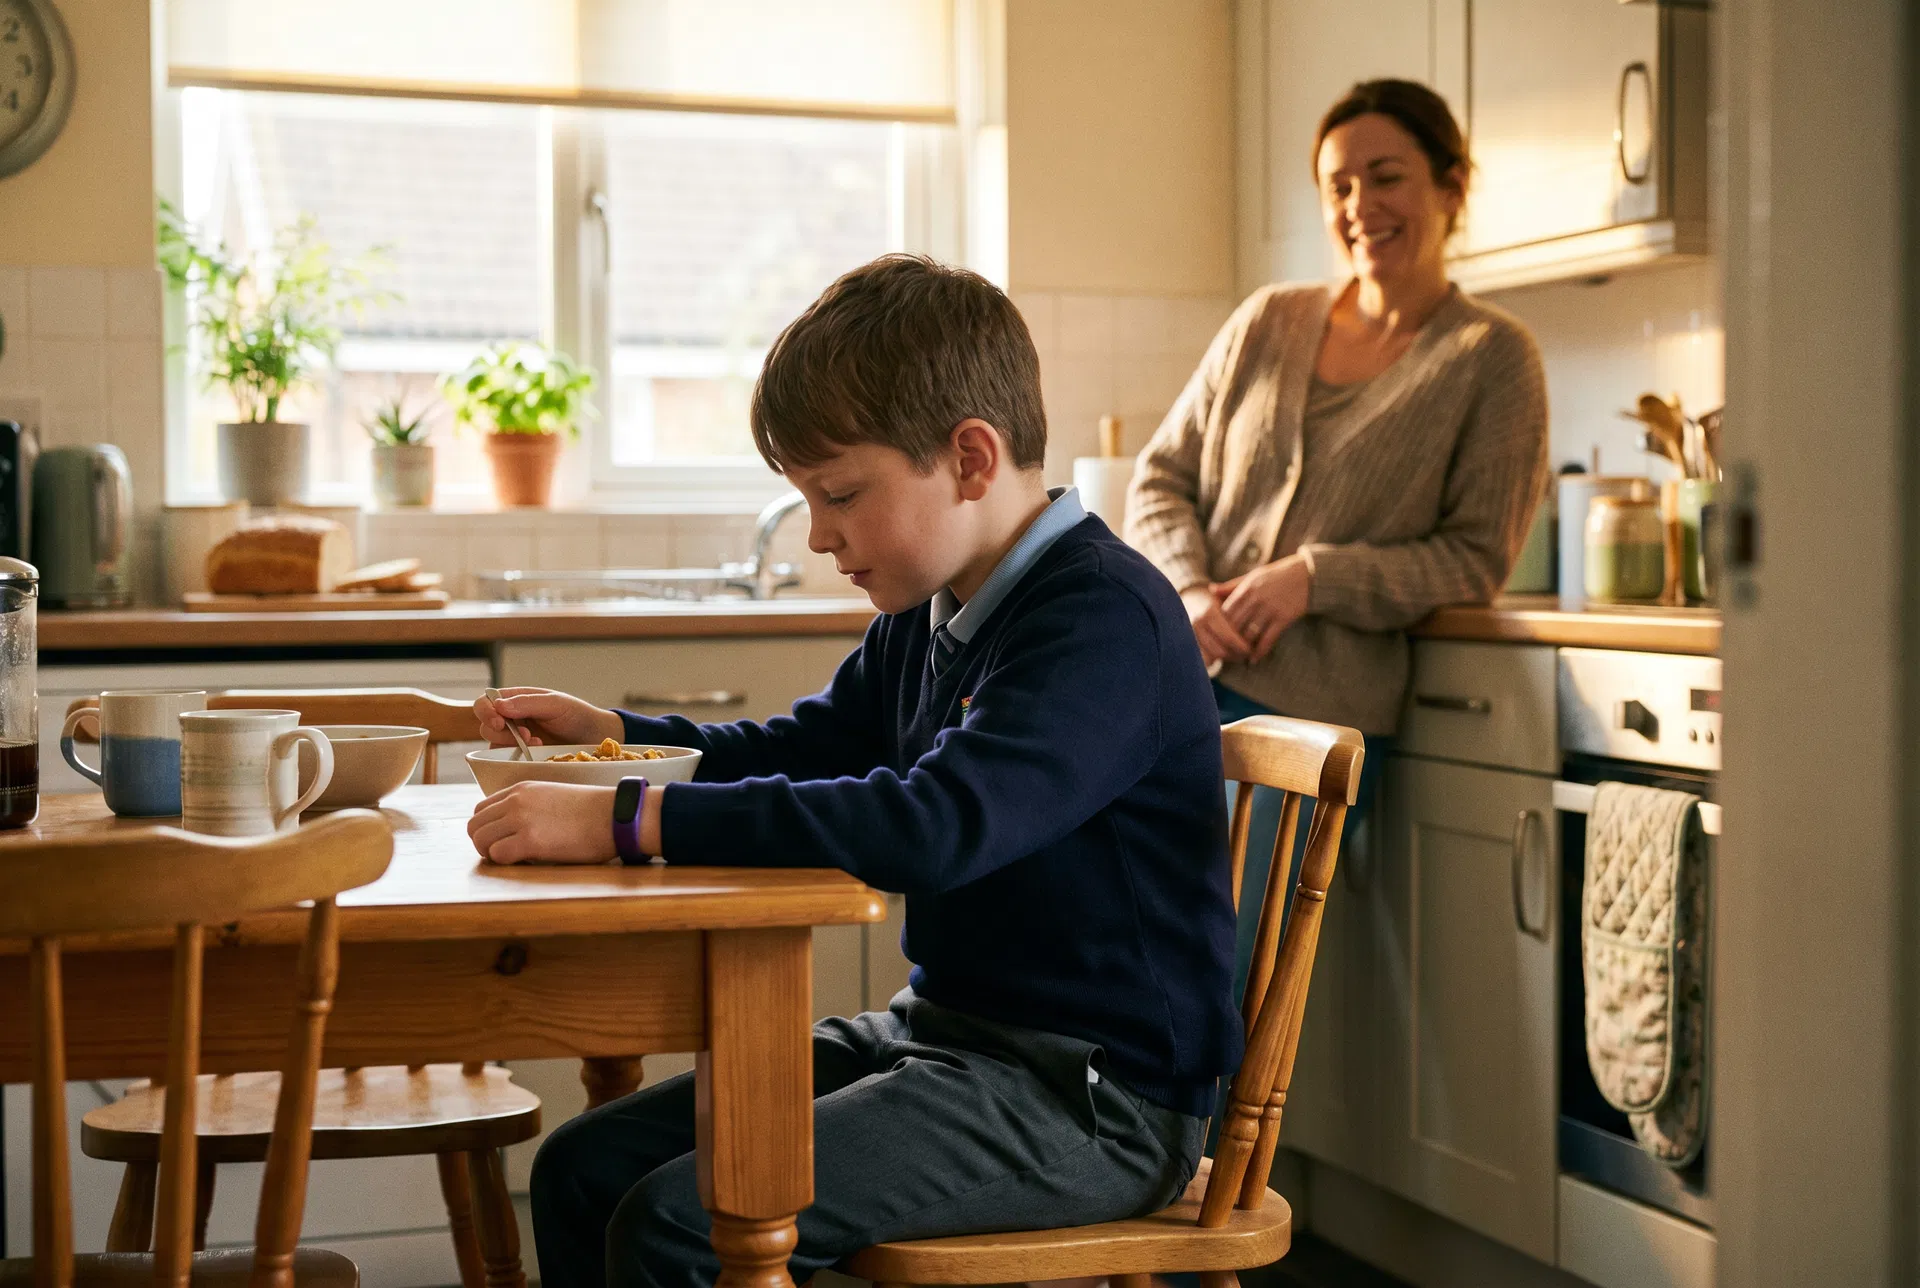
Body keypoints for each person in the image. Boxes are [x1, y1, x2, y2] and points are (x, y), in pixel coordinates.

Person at [466, 254, 1242, 1288]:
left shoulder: (1101, 617)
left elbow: (936, 823)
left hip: (1094, 1096)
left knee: (677, 1223)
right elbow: (798, 748)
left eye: (839, 495)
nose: (821, 535)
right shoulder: (938, 609)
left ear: (970, 458)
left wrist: (629, 822)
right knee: (581, 1166)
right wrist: (614, 735)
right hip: (946, 1036)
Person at [1125, 78, 1550, 991]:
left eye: (1386, 176)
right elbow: (1161, 474)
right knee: (1098, 945)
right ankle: (1054, 1133)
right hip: (1172, 692)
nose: (1360, 206)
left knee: (1211, 977)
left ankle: (1169, 1141)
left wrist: (1316, 577)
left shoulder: (1492, 356)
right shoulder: (1266, 320)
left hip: (1313, 724)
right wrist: (1189, 589)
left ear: (1451, 186)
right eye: (1338, 185)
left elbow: (1476, 556)